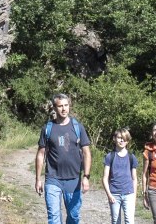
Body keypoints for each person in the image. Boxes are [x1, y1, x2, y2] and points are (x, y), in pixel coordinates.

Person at [35, 93, 92, 223]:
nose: (64, 109)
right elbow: (40, 154)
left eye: (66, 105)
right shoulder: (47, 128)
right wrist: (38, 179)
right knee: (54, 218)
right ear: (54, 108)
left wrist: (86, 177)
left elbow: (86, 152)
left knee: (73, 217)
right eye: (60, 106)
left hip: (73, 179)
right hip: (52, 179)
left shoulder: (77, 127)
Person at [102, 128, 139, 224]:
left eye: (124, 138)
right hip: (114, 194)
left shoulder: (132, 157)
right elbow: (105, 178)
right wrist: (109, 195)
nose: (122, 140)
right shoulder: (110, 156)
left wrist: (134, 196)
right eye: (119, 138)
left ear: (128, 140)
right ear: (114, 139)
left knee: (129, 221)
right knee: (115, 221)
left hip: (129, 193)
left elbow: (134, 179)